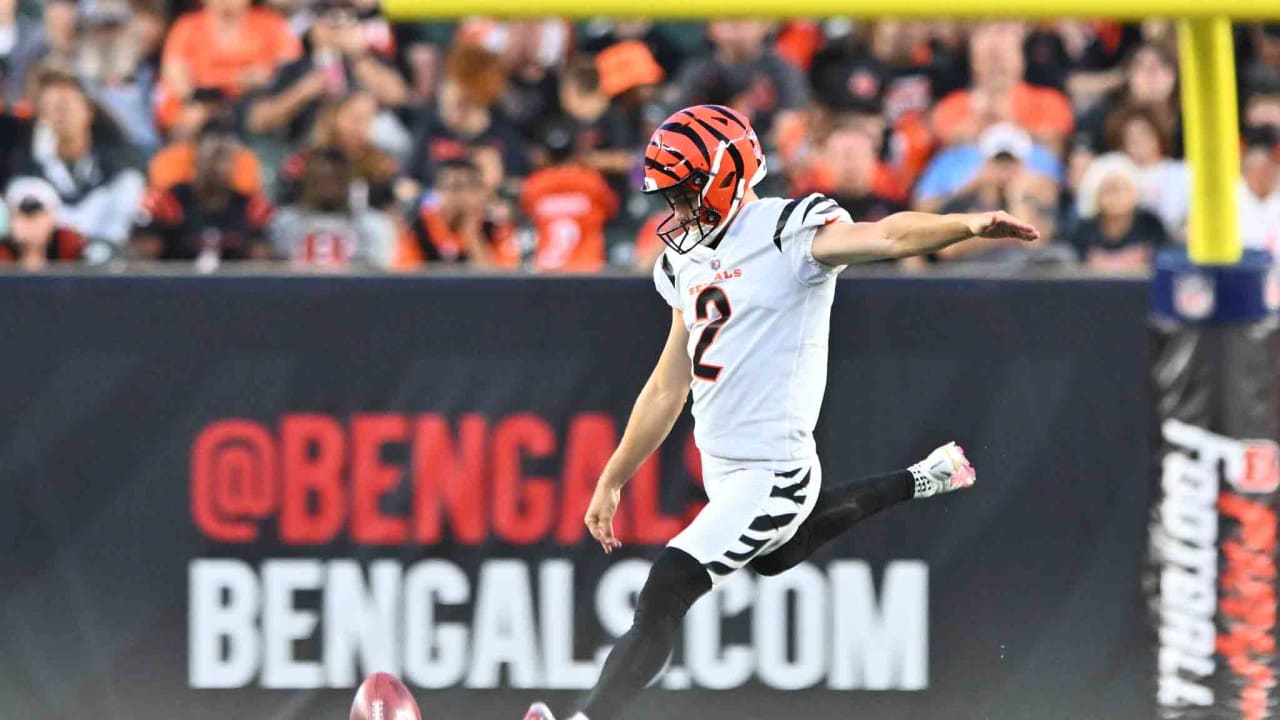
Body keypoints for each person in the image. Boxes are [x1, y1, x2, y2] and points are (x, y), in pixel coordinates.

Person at [522, 104, 1039, 720]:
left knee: (666, 589)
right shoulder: (683, 261)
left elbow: (887, 235)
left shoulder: (785, 231)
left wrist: (967, 224)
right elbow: (668, 385)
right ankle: (923, 477)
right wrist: (612, 478)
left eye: (685, 194)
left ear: (725, 175)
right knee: (774, 557)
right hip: (726, 470)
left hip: (774, 471)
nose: (677, 212)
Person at [9, 69, 143, 262]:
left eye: (65, 105)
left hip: (105, 262)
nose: (59, 115)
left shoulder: (117, 164)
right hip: (51, 261)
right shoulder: (28, 166)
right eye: (49, 108)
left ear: (88, 110)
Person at [246, 0, 407, 144]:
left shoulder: (366, 59)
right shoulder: (300, 65)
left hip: (364, 148)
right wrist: (303, 92)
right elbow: (257, 120)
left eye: (346, 21)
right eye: (330, 22)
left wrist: (358, 58)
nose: (338, 29)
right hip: (312, 148)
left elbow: (398, 97)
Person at [131, 120, 273, 267]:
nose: (216, 165)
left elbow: (261, 262)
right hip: (176, 284)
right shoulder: (169, 201)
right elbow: (143, 257)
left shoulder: (248, 207)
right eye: (211, 156)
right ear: (196, 157)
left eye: (223, 157)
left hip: (233, 286)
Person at [517, 114, 617, 272]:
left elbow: (526, 212)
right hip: (588, 269)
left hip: (547, 271)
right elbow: (611, 209)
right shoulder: (591, 181)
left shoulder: (534, 184)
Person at [401, 157, 512, 268]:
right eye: (453, 187)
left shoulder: (496, 228)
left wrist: (473, 236)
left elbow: (501, 280)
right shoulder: (418, 227)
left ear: (480, 192)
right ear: (437, 191)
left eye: (469, 187)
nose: (461, 195)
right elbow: (406, 277)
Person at [1068, 152, 1168, 270]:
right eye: (1110, 190)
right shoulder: (1083, 231)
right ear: (1095, 195)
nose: (1117, 197)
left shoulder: (1151, 225)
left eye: (1123, 189)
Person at [0, 176, 84, 268]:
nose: (30, 226)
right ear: (11, 221)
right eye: (23, 216)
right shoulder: (3, 256)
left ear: (52, 220)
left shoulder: (70, 250)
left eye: (38, 215)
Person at [1240, 128, 1280, 255]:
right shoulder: (1230, 200)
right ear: (1246, 173)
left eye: (1269, 170)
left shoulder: (1276, 199)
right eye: (1260, 171)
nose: (1267, 176)